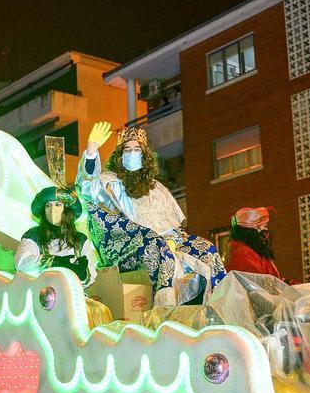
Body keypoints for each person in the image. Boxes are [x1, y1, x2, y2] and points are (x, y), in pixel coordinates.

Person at [78, 121, 226, 304]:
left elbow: (172, 224)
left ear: (145, 155)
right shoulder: (110, 182)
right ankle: (164, 307)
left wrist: (171, 239)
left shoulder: (157, 188)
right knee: (156, 245)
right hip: (130, 246)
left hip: (166, 242)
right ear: (119, 155)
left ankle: (218, 304)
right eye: (127, 149)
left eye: (137, 149)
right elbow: (86, 188)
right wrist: (92, 149)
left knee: (205, 248)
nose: (132, 153)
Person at [14, 186, 100, 287]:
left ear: (67, 210)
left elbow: (91, 274)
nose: (52, 209)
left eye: (58, 205)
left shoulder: (80, 239)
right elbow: (21, 262)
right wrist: (54, 261)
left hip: (72, 296)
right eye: (48, 205)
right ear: (43, 211)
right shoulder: (33, 235)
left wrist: (81, 275)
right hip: (41, 295)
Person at [225, 207, 284, 280]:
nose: (266, 230)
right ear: (252, 229)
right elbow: (256, 283)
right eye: (264, 226)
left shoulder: (254, 250)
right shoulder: (244, 252)